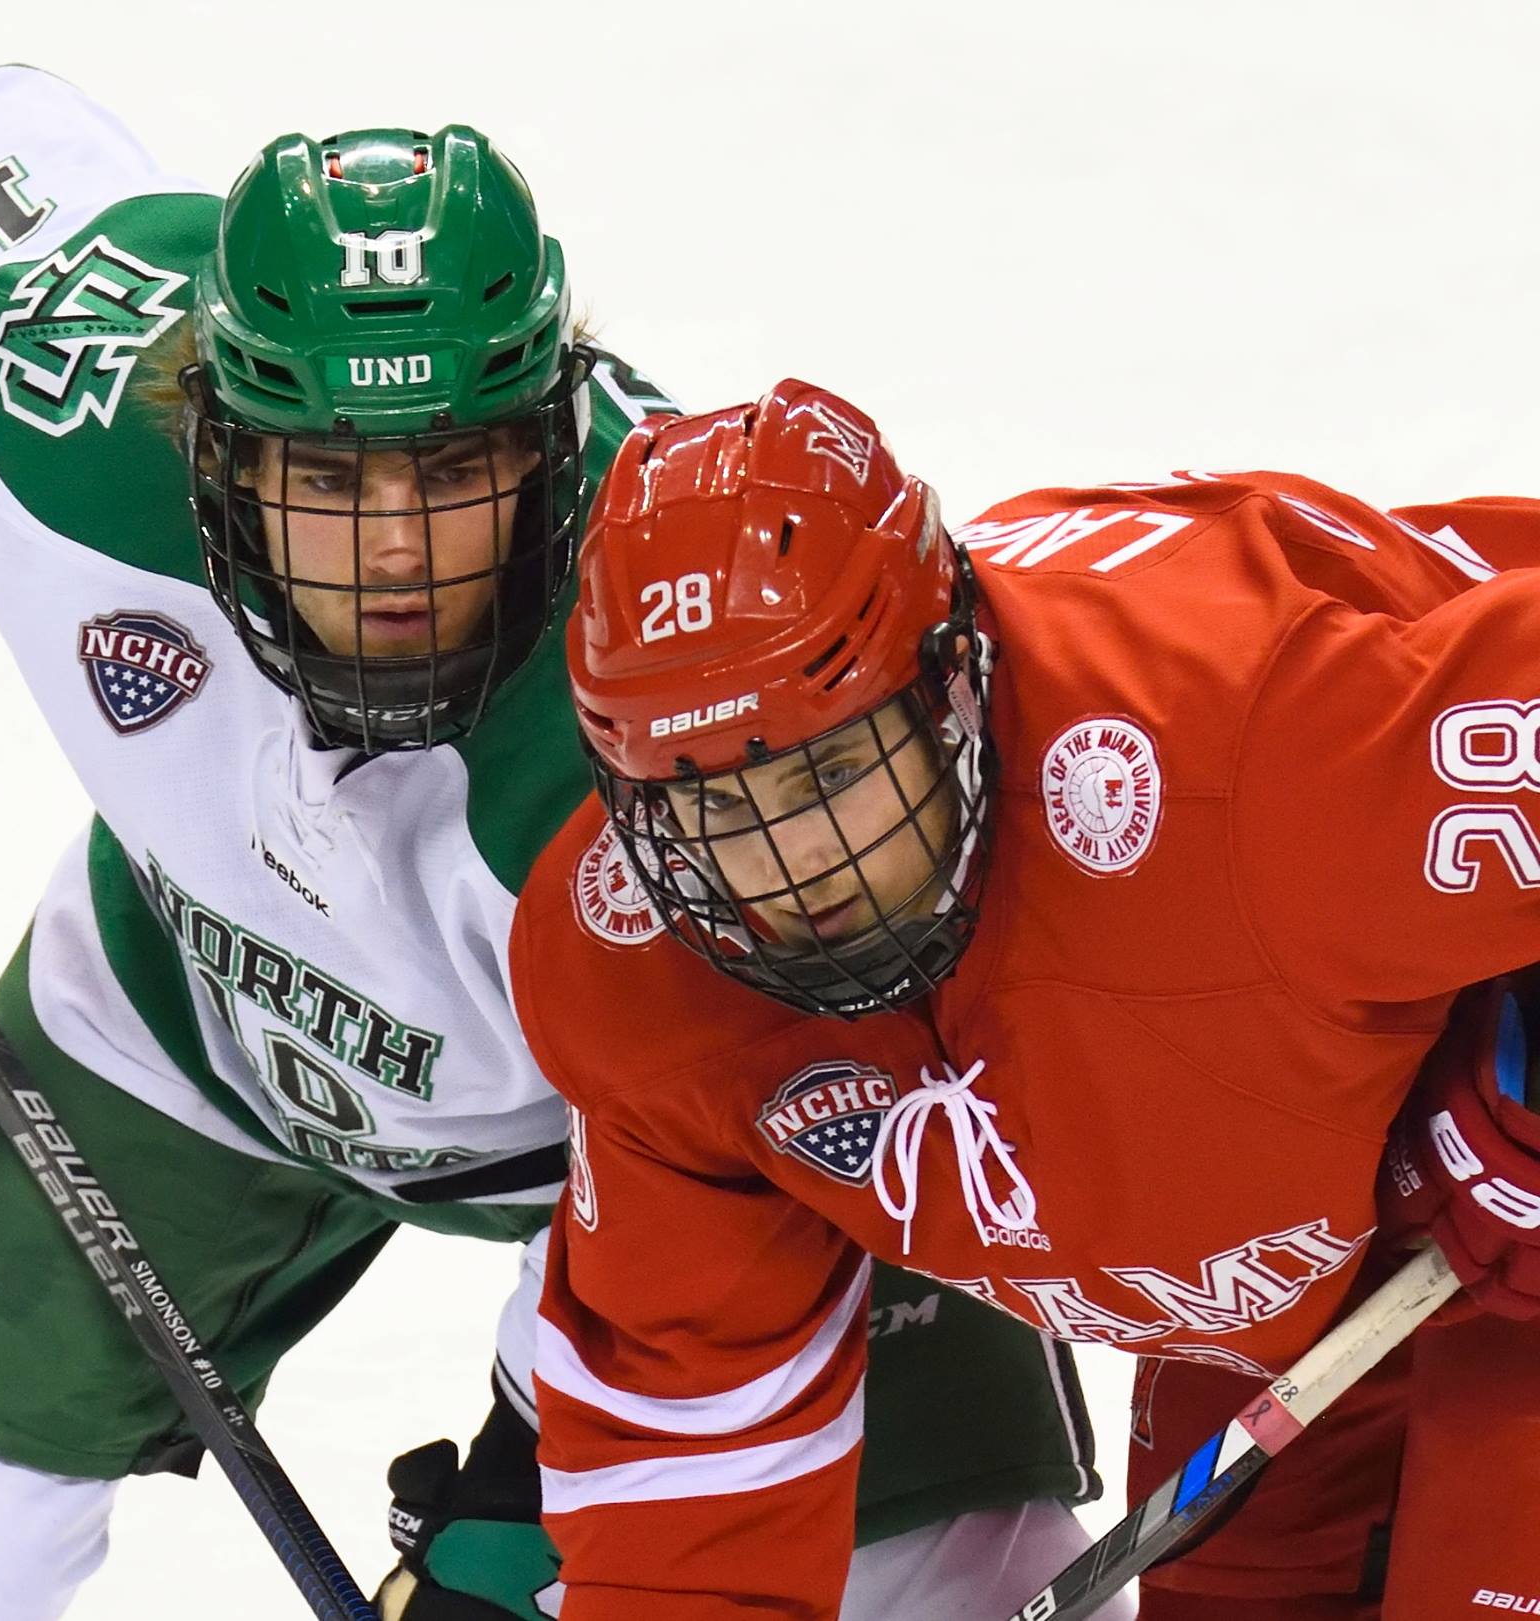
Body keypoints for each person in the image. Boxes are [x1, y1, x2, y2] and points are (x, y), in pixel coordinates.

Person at [0, 69, 1109, 1621]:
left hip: (683, 1149)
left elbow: (729, 1189)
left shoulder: (696, 719)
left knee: (964, 1581)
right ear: (211, 442)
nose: (393, 553)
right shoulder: (73, 396)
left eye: (454, 470)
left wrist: (525, 1494)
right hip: (191, 1009)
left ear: (552, 443)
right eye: (324, 477)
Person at [513, 377, 1540, 1620]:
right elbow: (687, 1489)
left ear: (948, 683)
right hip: (1290, 1268)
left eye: (828, 772)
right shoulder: (636, 976)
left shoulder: (1238, 764)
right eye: (712, 804)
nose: (790, 865)